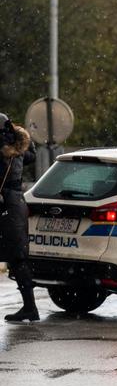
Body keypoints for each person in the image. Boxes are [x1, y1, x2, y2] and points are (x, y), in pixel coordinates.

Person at [1, 113, 37, 323]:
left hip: (5, 203)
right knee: (18, 258)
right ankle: (29, 307)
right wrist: (19, 134)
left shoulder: (2, 149)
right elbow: (31, 155)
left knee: (17, 259)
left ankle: (30, 308)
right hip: (16, 204)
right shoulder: (17, 147)